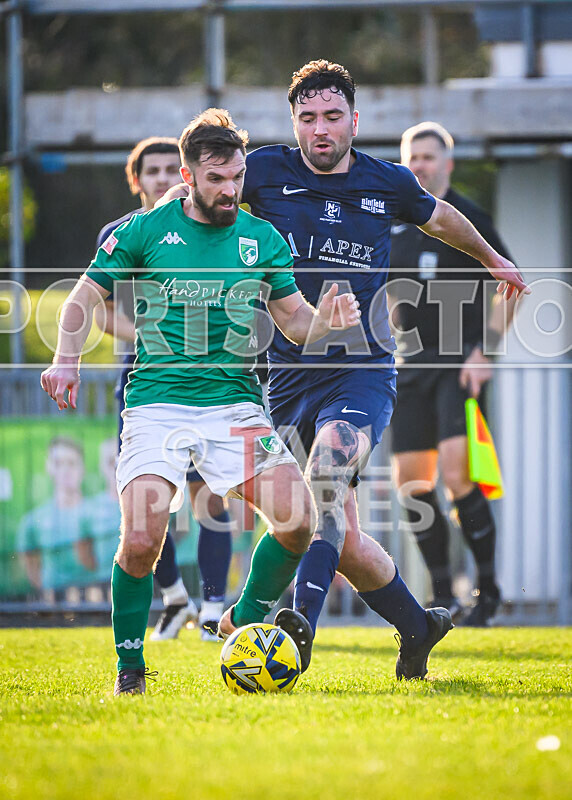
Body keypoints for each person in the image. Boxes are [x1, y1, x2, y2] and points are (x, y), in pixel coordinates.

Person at [214, 60, 528, 678]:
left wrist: (493, 260)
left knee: (330, 467)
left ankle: (297, 623)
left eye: (332, 116)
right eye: (307, 118)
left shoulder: (387, 181)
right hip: (288, 376)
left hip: (363, 369)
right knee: (344, 538)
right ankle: (419, 626)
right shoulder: (267, 172)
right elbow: (207, 191)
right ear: (294, 123)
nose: (320, 130)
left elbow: (440, 216)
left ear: (354, 121)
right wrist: (145, 232)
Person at [40, 108, 360, 695]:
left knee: (298, 520)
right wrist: (66, 357)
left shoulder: (261, 237)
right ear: (187, 178)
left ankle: (241, 617)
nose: (231, 189)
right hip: (157, 404)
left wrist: (327, 323)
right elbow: (80, 299)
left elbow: (293, 323)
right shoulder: (141, 231)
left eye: (237, 176)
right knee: (140, 540)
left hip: (234, 407)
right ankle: (130, 672)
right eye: (216, 179)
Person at [95, 137, 233, 642]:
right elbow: (96, 305)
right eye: (147, 171)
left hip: (209, 382)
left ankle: (215, 609)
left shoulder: (213, 230)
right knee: (148, 507)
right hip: (144, 385)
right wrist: (150, 336)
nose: (158, 179)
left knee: (210, 499)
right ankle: (175, 599)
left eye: (163, 169)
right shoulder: (122, 234)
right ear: (136, 181)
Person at [388, 121, 517, 626]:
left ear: (448, 163)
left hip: (457, 366)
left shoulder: (469, 217)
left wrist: (484, 351)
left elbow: (509, 285)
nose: (419, 164)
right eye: (411, 157)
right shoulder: (395, 220)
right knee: (412, 487)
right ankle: (444, 596)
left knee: (459, 474)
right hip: (409, 367)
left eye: (428, 156)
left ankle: (488, 591)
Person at [17, 437, 96, 598]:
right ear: (49, 467)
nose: (65, 470)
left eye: (71, 463)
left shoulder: (99, 514)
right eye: (58, 463)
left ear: (82, 468)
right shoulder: (32, 520)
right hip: (50, 601)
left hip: (96, 596)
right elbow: (29, 562)